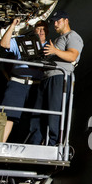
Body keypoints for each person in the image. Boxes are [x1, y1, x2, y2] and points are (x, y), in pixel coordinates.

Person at [27, 10, 84, 146]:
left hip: (59, 78)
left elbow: (72, 56)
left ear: (66, 20)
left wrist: (54, 51)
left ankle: (54, 143)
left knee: (54, 112)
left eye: (58, 21)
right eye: (54, 22)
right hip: (46, 78)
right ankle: (33, 142)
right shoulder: (57, 39)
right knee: (37, 113)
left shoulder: (72, 36)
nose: (56, 24)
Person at [0, 18, 49, 142]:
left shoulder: (50, 46)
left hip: (36, 85)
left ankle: (33, 146)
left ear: (47, 31)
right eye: (38, 28)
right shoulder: (23, 41)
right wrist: (12, 26)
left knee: (35, 118)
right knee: (8, 115)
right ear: (34, 30)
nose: (41, 31)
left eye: (43, 29)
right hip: (17, 82)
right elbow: (4, 44)